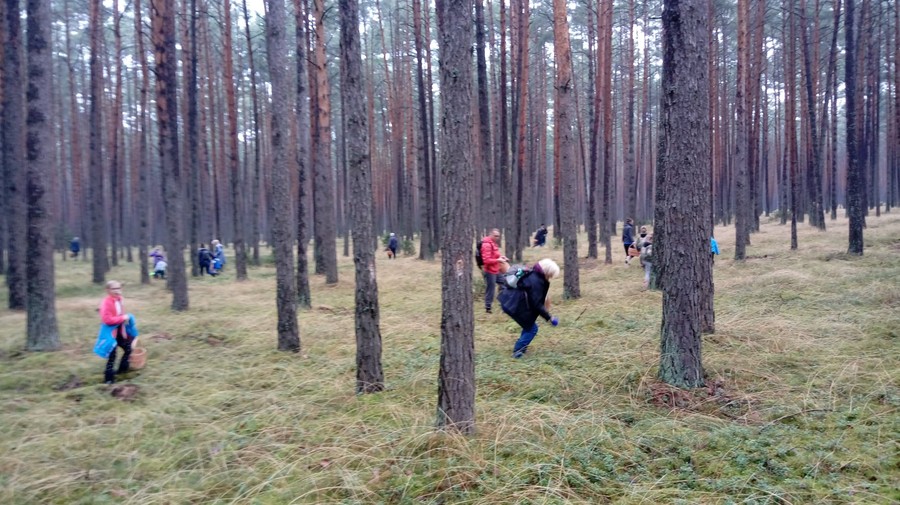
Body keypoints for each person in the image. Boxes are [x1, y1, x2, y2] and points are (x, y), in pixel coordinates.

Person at [499, 258, 560, 358]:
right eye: (551, 275)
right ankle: (518, 351)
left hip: (510, 301)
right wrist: (549, 317)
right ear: (547, 273)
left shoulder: (533, 274)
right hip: (513, 304)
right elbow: (536, 304)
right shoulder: (537, 281)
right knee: (532, 329)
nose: (550, 277)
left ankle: (522, 348)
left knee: (529, 325)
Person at [94, 280, 138, 384]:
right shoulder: (106, 302)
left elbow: (121, 314)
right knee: (112, 354)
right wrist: (123, 317)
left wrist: (127, 321)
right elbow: (107, 320)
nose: (117, 291)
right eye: (114, 289)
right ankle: (108, 379)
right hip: (110, 333)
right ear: (108, 290)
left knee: (128, 348)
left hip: (120, 330)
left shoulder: (120, 299)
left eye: (119, 288)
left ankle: (122, 370)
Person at [480, 229, 507, 313]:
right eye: (495, 236)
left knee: (504, 283)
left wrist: (502, 257)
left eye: (498, 236)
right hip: (489, 271)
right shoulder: (486, 245)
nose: (497, 238)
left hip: (496, 269)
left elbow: (496, 255)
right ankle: (488, 308)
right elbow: (486, 261)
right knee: (491, 289)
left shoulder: (493, 243)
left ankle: (503, 303)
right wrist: (498, 260)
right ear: (490, 235)